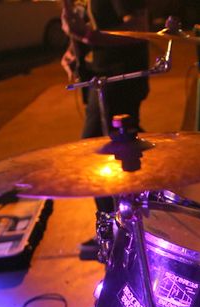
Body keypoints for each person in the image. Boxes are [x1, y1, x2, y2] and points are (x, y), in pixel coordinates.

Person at [60, 0, 149, 260]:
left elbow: (138, 26)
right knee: (111, 153)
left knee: (98, 152)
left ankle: (118, 232)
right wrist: (73, 50)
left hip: (120, 80)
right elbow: (91, 24)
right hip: (101, 78)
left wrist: (89, 36)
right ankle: (118, 229)